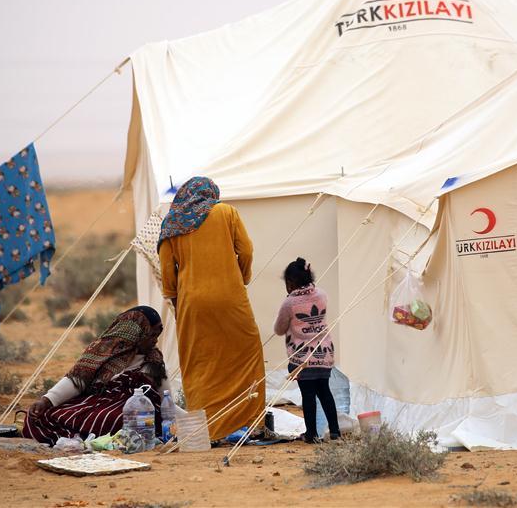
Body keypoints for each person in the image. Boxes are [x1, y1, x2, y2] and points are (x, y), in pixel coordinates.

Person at [157, 176, 266, 440]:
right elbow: (247, 250)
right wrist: (239, 278)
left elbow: (166, 269)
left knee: (200, 361)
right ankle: (253, 424)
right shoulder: (225, 211)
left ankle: (207, 429)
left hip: (192, 302)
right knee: (246, 354)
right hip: (231, 297)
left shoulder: (173, 221)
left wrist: (174, 297)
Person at [24, 306, 167, 445]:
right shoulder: (102, 352)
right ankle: (80, 438)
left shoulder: (153, 361)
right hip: (94, 403)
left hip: (126, 408)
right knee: (42, 416)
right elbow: (77, 380)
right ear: (136, 333)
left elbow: (165, 396)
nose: (155, 341)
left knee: (117, 419)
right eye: (151, 335)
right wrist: (46, 400)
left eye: (157, 335)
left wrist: (177, 416)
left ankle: (89, 438)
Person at [274, 257, 340, 442]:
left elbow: (279, 329)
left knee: (308, 395)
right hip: (324, 353)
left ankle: (311, 434)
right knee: (325, 392)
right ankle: (335, 432)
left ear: (291, 283)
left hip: (303, 358)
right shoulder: (321, 295)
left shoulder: (289, 303)